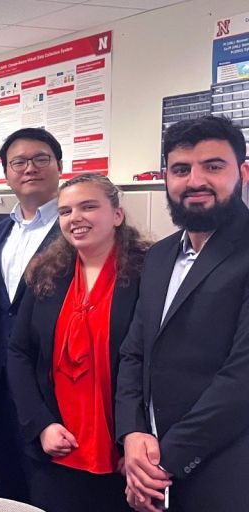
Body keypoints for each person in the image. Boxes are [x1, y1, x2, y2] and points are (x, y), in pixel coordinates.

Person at [116, 115, 249, 512]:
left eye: (213, 166)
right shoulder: (159, 255)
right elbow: (133, 353)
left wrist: (164, 461)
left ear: (242, 171)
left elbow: (242, 378)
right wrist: (132, 433)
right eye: (181, 169)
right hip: (151, 463)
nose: (194, 181)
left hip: (228, 468)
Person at [7, 174, 149, 512]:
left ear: (117, 214)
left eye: (89, 207)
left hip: (125, 447)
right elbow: (18, 351)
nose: (76, 218)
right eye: (66, 211)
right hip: (57, 442)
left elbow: (157, 362)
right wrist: (41, 424)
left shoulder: (149, 273)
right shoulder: (46, 273)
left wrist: (136, 436)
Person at [0, 127, 64, 502]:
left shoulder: (74, 227)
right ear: (7, 172)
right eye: (19, 161)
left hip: (51, 380)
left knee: (49, 482)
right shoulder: (0, 231)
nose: (30, 167)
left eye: (40, 158)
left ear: (59, 166)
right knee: (7, 476)